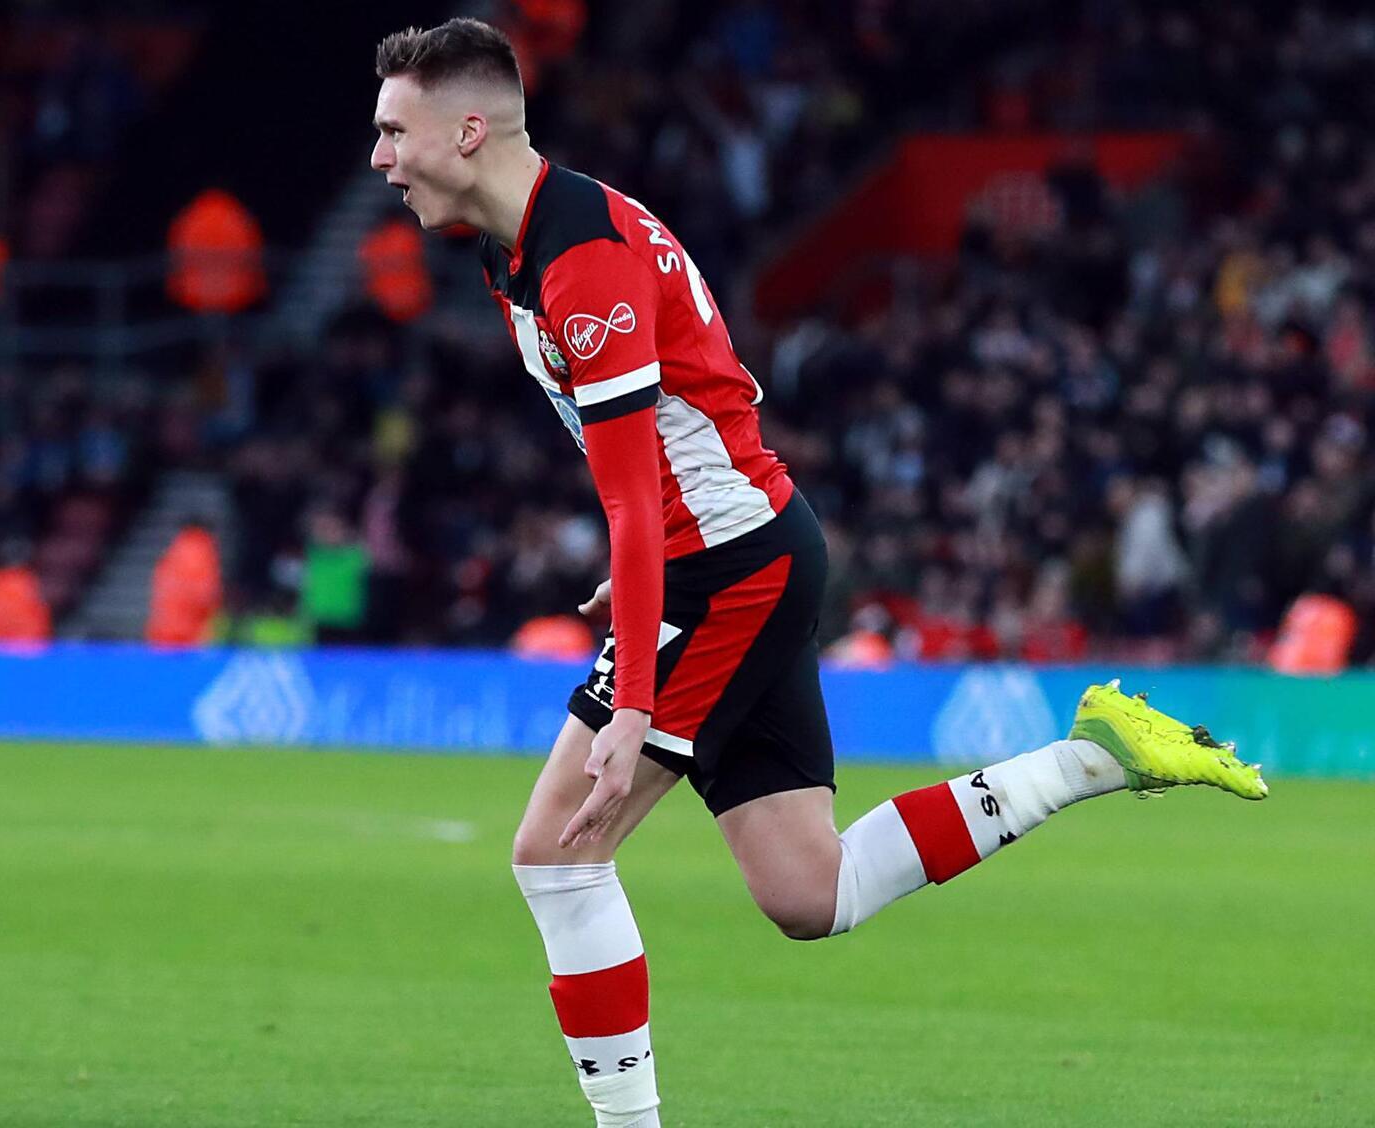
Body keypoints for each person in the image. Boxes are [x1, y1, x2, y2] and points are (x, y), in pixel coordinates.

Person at [368, 20, 1269, 1128]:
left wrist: (636, 695)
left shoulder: (582, 260)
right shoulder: (515, 246)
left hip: (727, 571)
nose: (380, 158)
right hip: (731, 553)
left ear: (467, 130)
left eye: (394, 131)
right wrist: (641, 578)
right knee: (810, 893)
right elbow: (659, 455)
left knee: (557, 857)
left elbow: (636, 496)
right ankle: (1090, 758)